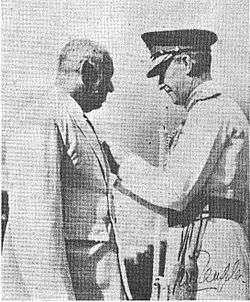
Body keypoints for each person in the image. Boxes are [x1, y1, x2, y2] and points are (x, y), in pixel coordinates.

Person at [106, 29, 249, 299]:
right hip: (201, 237)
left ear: (186, 62)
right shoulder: (206, 110)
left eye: (162, 71)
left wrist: (122, 164)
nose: (160, 83)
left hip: (212, 244)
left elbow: (175, 192)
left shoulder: (211, 110)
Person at [2, 39, 130, 300]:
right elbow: (36, 223)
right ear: (88, 73)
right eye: (107, 78)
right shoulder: (42, 116)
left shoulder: (70, 117)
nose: (111, 88)